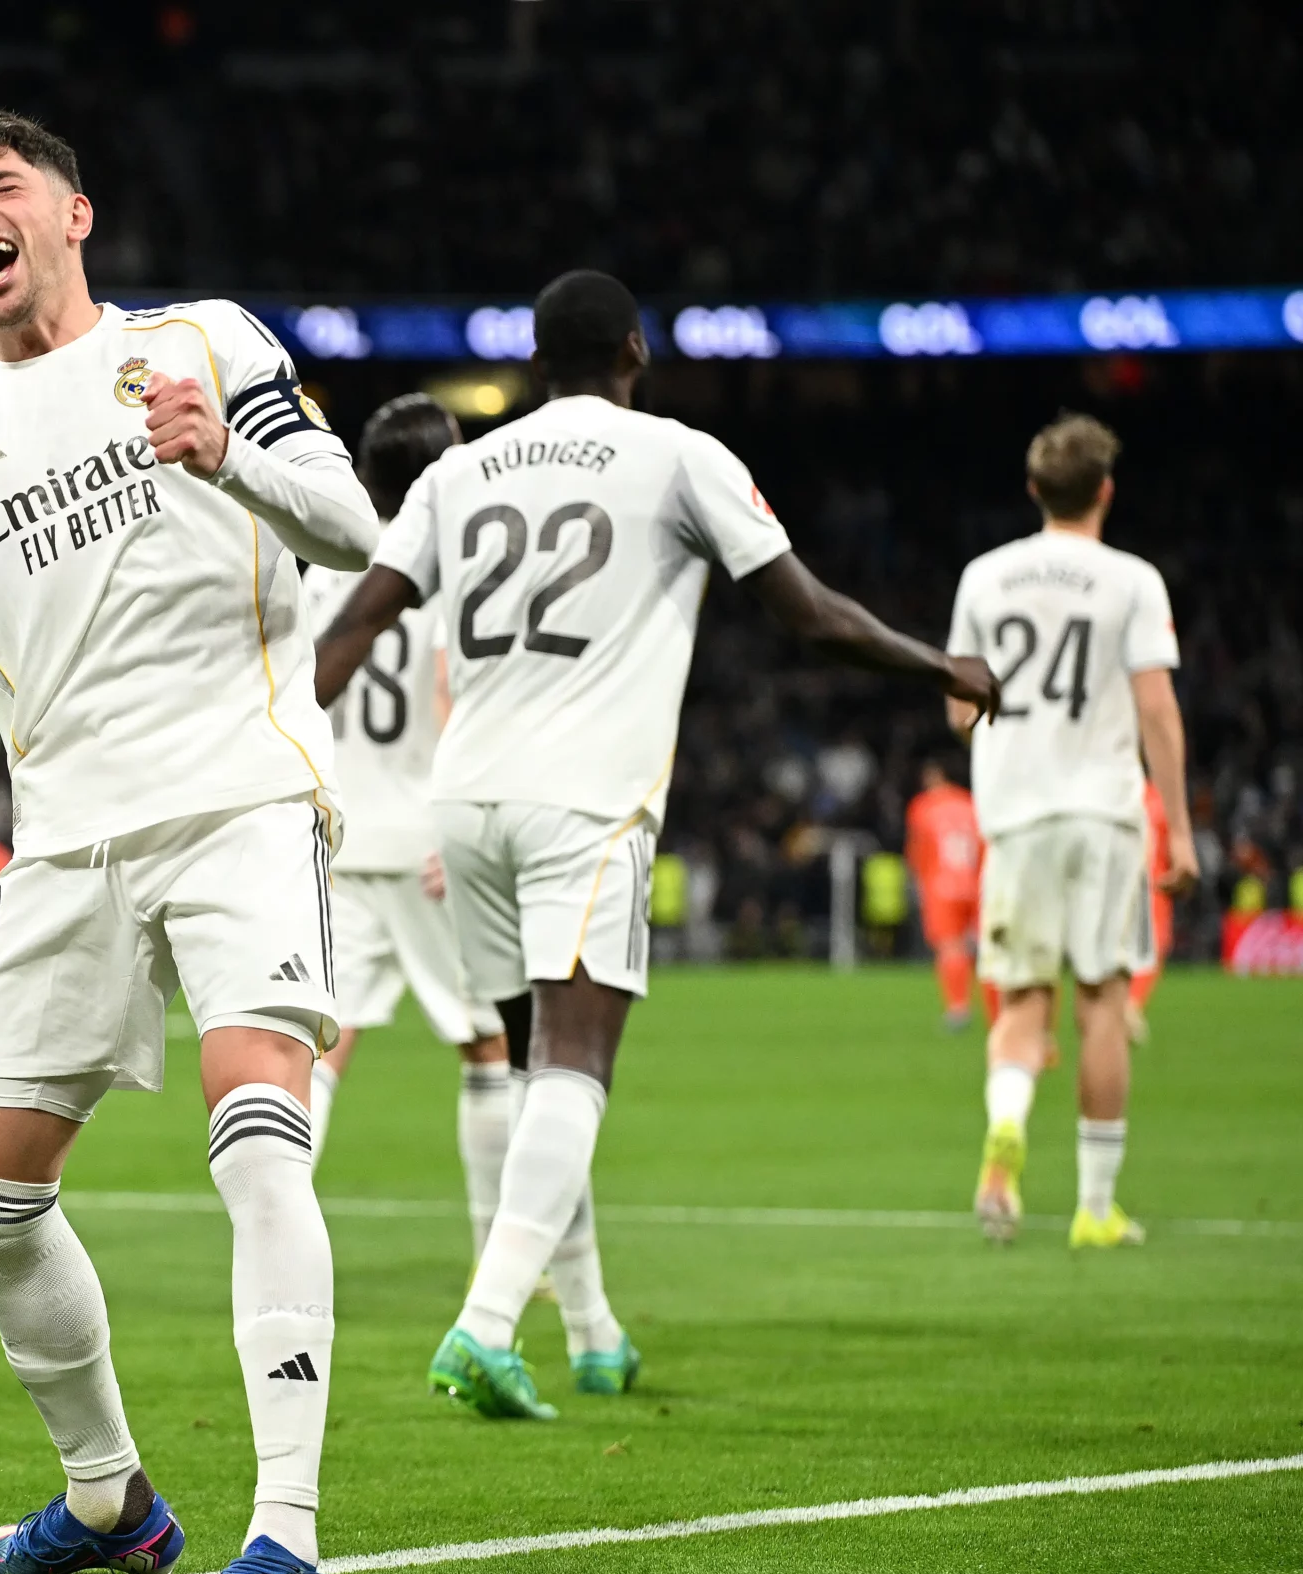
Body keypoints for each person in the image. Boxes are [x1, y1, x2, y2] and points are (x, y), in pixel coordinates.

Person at [0, 106, 381, 1574]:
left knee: (258, 1140)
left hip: (242, 794)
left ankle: (286, 1533)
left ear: (74, 213)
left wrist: (227, 451)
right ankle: (111, 1499)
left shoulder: (203, 340)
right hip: (64, 837)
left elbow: (354, 526)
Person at [314, 269, 998, 1421]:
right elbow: (810, 614)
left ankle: (590, 1329)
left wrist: (262, 754)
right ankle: (487, 1324)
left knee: (533, 1073)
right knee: (573, 1065)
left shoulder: (454, 472)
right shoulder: (681, 455)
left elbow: (353, 625)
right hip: (584, 801)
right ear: (634, 349)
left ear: (538, 362)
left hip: (463, 804)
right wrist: (943, 665)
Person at [301, 395, 546, 1293]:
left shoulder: (324, 572)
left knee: (322, 1050)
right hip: (429, 842)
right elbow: (453, 698)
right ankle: (500, 1260)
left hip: (339, 838)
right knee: (485, 1044)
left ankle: (277, 1237)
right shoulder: (449, 565)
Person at [952, 414, 1195, 1248]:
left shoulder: (984, 577)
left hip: (1015, 815)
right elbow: (1157, 709)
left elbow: (958, 709)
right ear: (1106, 492)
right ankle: (1094, 1208)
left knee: (1022, 1003)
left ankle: (1006, 1127)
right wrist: (1182, 832)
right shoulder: (1133, 581)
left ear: (1034, 490)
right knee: (1102, 1003)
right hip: (1103, 815)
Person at [905, 757, 985, 1030]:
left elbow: (919, 847)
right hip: (975, 883)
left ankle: (958, 1008)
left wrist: (918, 879)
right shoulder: (971, 804)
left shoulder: (924, 806)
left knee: (950, 947)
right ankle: (998, 1014)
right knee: (986, 949)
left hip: (940, 884)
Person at [1128, 775, 1172, 1042]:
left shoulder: (1115, 789)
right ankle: (1132, 1005)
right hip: (1151, 886)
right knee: (1153, 948)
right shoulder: (1158, 798)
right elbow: (1168, 847)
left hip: (1116, 884)